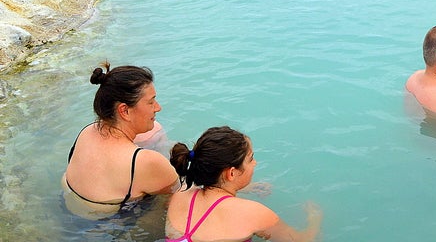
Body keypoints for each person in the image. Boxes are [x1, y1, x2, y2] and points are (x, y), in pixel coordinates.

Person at [62, 63, 180, 220]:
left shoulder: (86, 132)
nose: (158, 108)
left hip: (67, 209)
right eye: (151, 102)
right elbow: (180, 196)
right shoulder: (145, 161)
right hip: (108, 227)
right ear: (124, 111)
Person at [166, 126, 322, 242]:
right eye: (250, 159)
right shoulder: (255, 214)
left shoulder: (180, 196)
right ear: (231, 173)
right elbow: (301, 240)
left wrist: (245, 188)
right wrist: (315, 219)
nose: (255, 163)